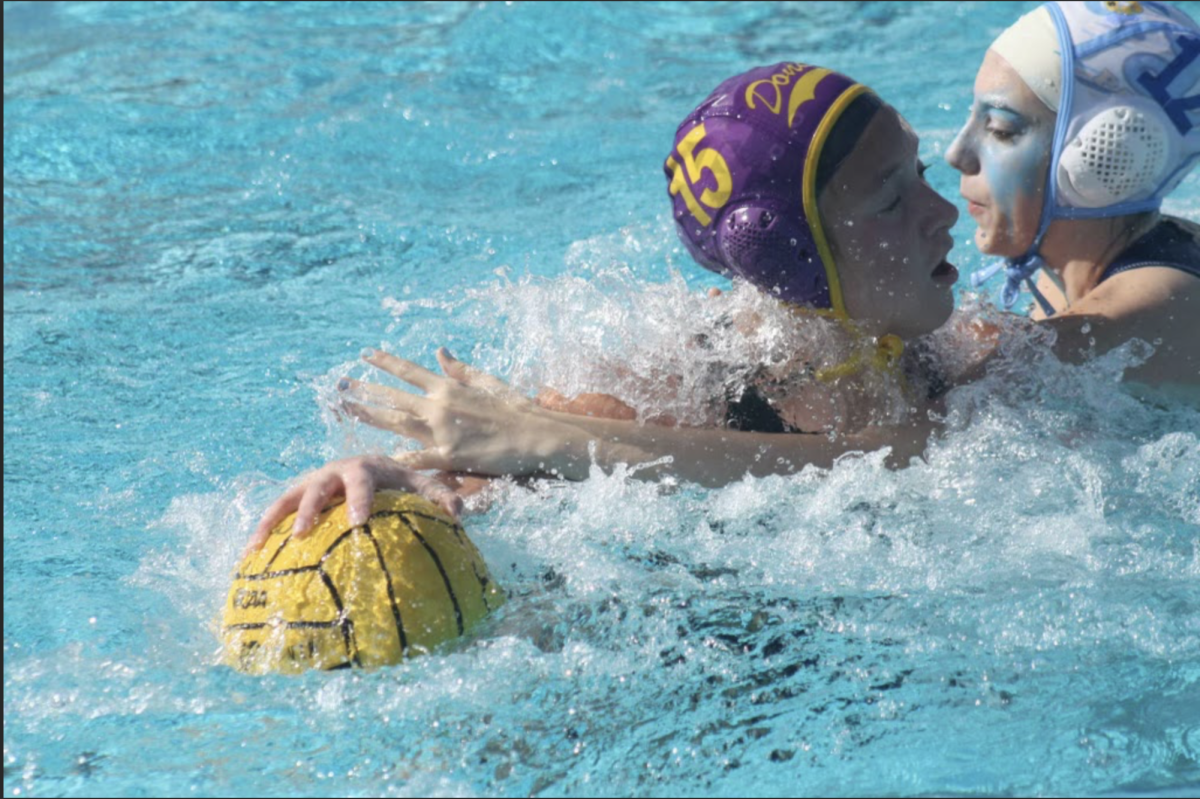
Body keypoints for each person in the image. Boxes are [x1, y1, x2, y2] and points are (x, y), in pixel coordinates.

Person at [250, 1, 1200, 543]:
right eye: (893, 191)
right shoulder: (715, 364)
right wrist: (411, 476)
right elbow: (507, 460)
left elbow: (914, 459)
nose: (948, 191)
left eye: (994, 132)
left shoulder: (1149, 305)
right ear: (800, 264)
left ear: (1104, 156)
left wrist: (544, 435)